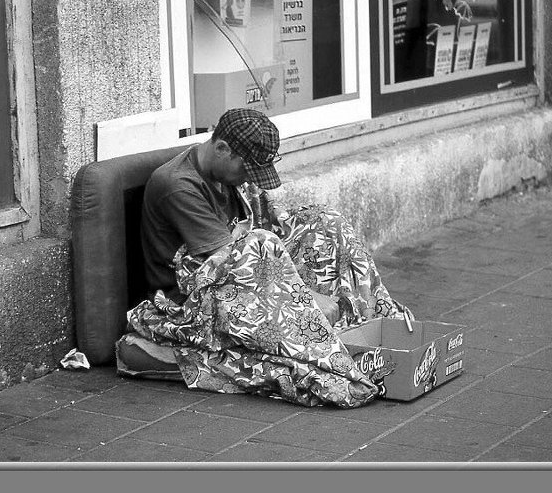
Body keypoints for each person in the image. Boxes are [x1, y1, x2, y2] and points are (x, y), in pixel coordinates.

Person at [124, 108, 413, 408]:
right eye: (247, 170)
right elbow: (241, 260)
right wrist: (309, 298)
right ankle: (329, 346)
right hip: (194, 301)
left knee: (328, 222)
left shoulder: (225, 174)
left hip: (244, 278)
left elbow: (266, 231)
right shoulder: (178, 185)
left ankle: (375, 324)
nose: (250, 180)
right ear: (222, 149)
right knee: (263, 244)